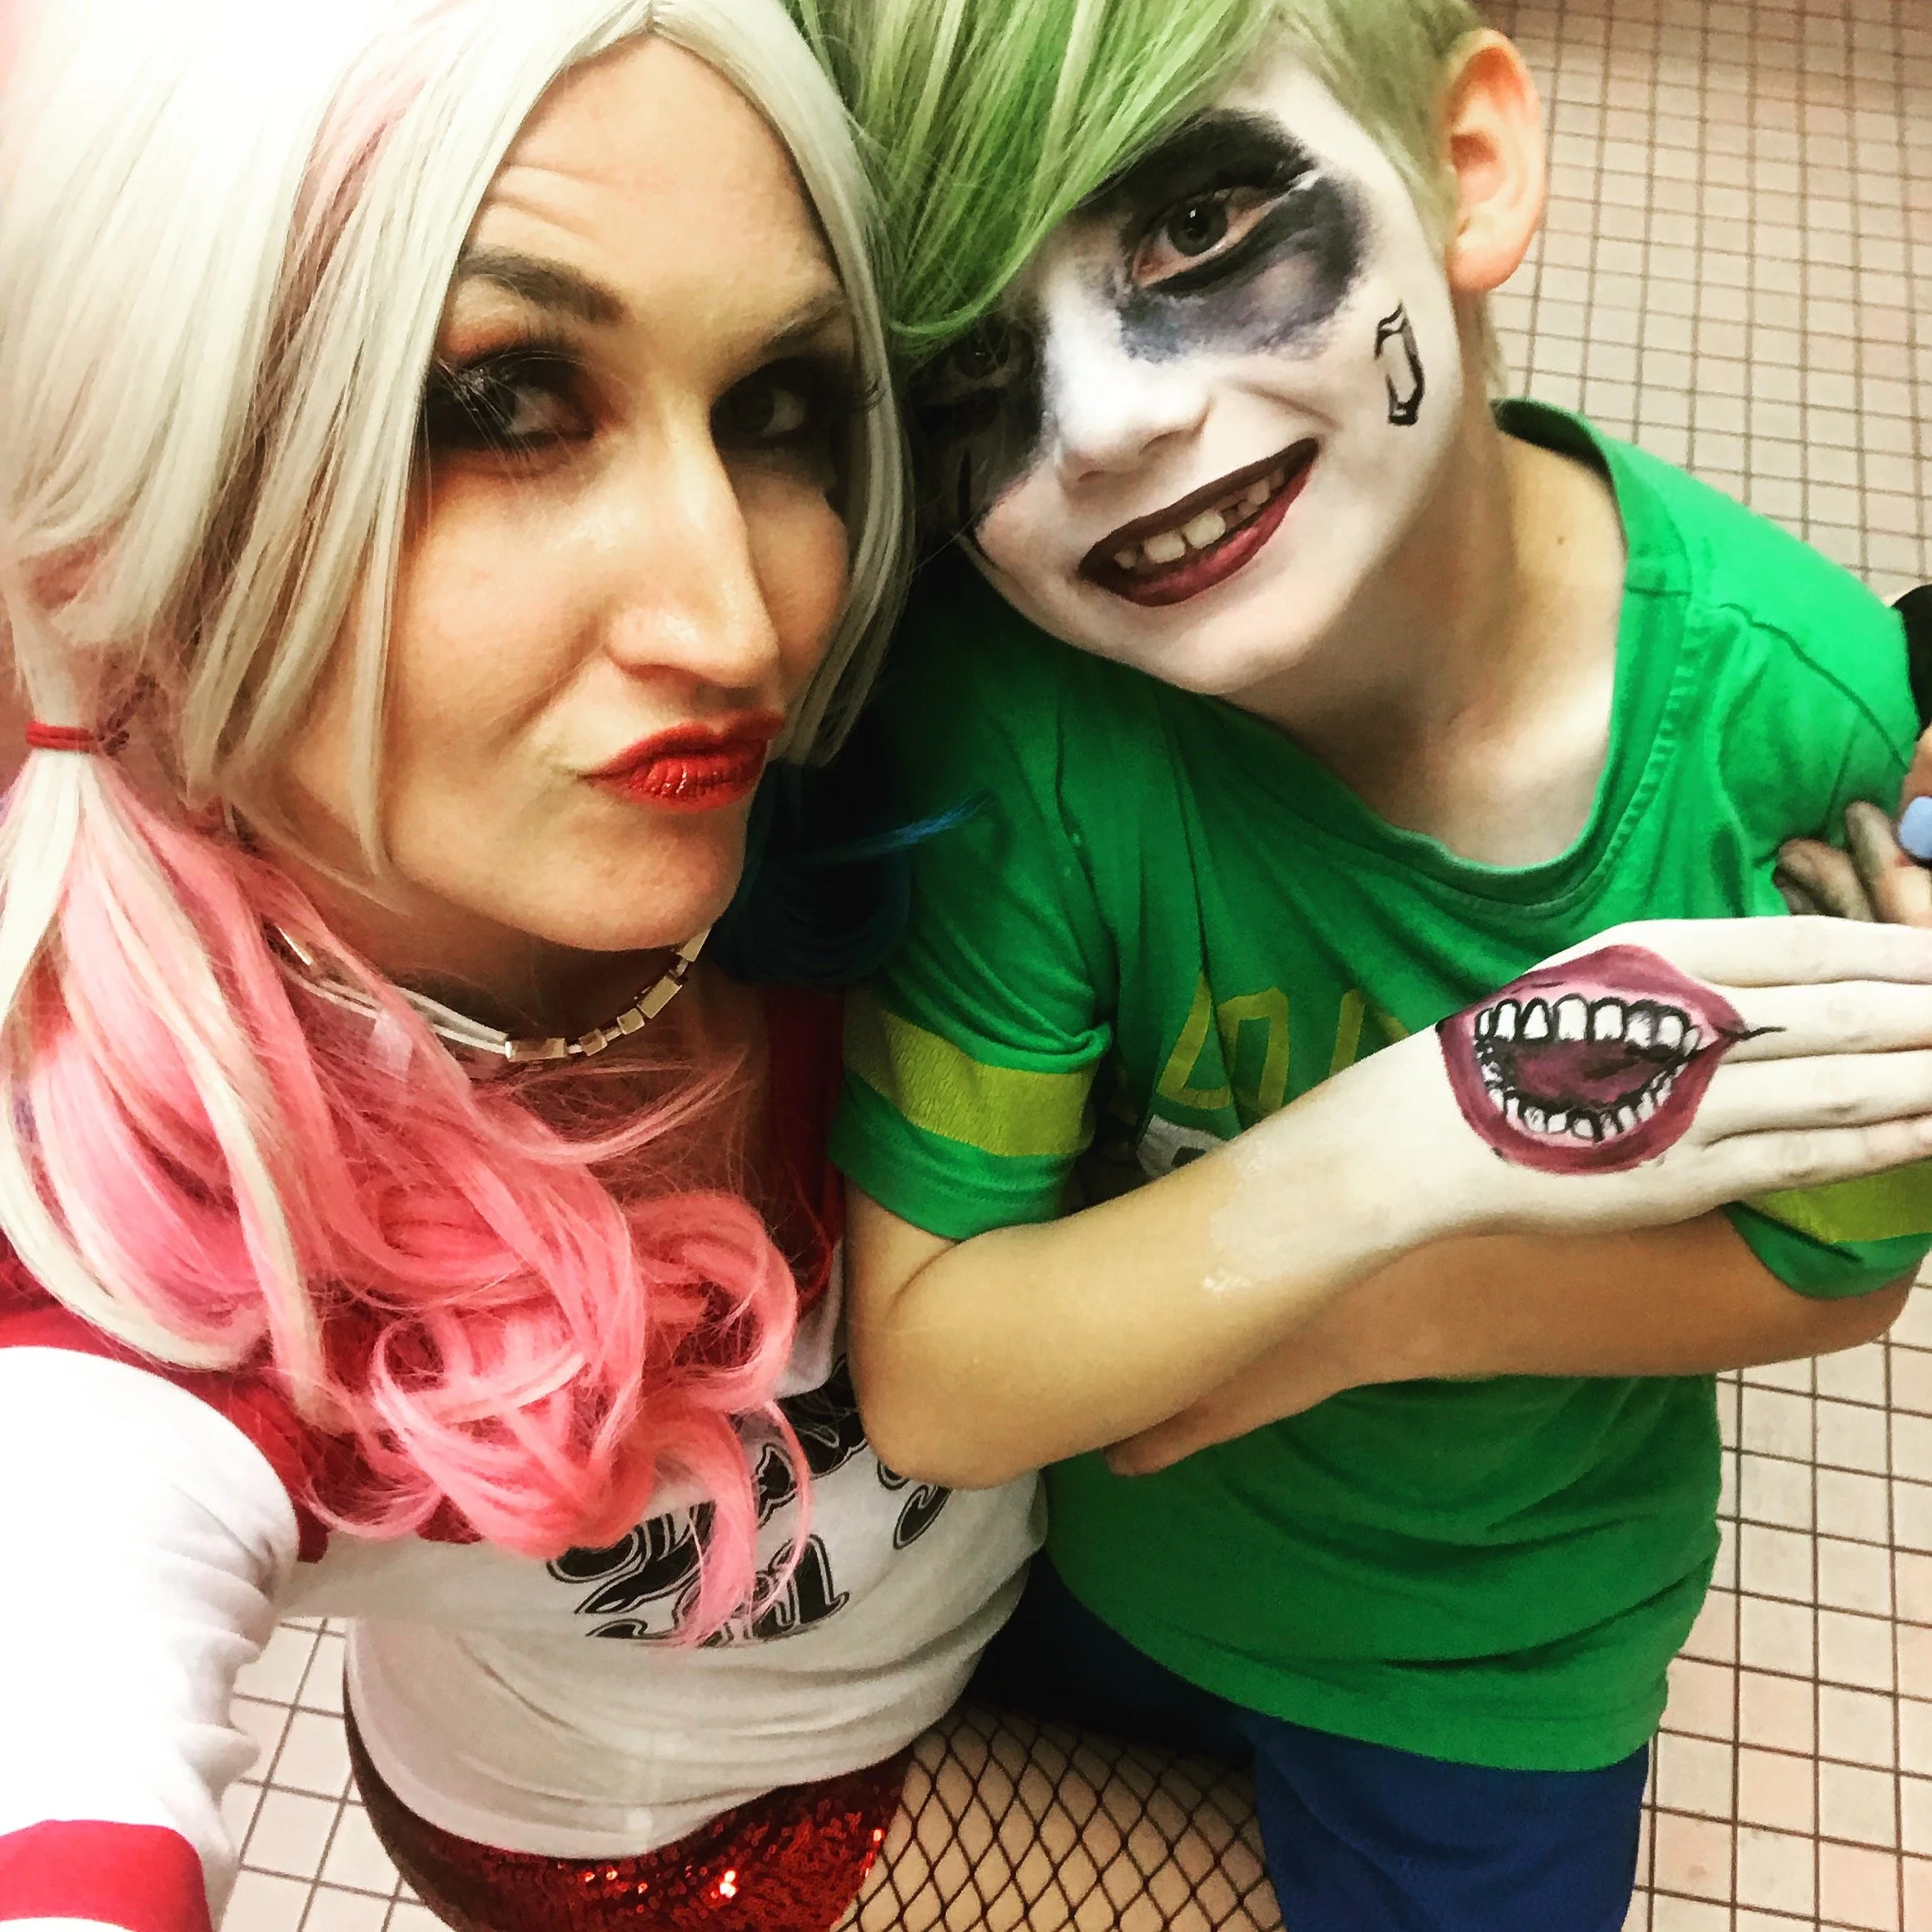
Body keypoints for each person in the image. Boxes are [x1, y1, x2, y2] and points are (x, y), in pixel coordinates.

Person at [5, 7, 1930, 1932]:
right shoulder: (133, 1288)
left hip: (1195, 1598)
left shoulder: (911, 711)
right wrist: (1436, 1133)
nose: (735, 613)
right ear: (125, 512)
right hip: (706, 1828)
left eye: (785, 407)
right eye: (493, 402)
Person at [803, 1, 1932, 1926]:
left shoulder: (1792, 726)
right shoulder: (1024, 732)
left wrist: (1369, 1317)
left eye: (1194, 227)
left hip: (1484, 1647)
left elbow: (1831, 1260)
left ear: (1466, 166)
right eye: (974, 358)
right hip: (1071, 1558)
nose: (1102, 420)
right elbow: (933, 1373)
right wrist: (1427, 1128)